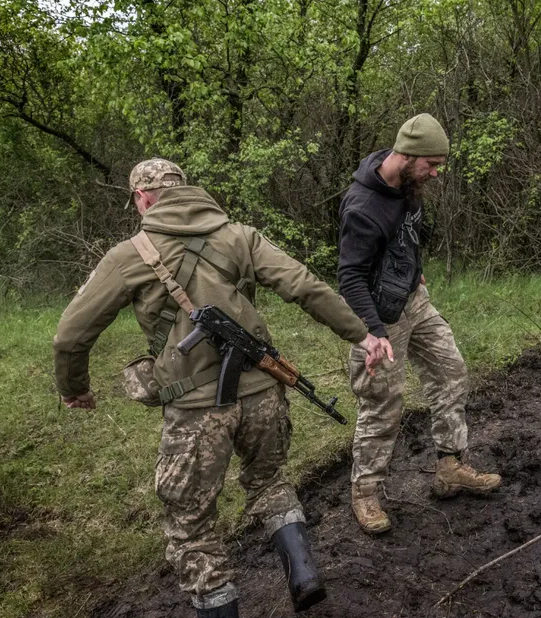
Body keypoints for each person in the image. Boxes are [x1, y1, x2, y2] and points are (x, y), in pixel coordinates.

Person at [54, 158, 386, 617]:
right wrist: (362, 334)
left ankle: (219, 604)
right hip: (264, 393)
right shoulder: (240, 235)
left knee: (190, 525)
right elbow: (305, 286)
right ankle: (304, 574)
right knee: (269, 481)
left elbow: (70, 337)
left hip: (196, 410)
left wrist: (75, 388)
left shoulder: (129, 255)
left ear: (142, 198)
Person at [338, 113, 502, 535]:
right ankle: (365, 493)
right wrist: (373, 332)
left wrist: (415, 269)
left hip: (414, 300)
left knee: (451, 372)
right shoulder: (363, 207)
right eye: (432, 164)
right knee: (382, 404)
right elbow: (350, 277)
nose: (436, 172)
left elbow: (408, 235)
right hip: (377, 317)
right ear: (407, 155)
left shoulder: (409, 185)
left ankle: (451, 467)